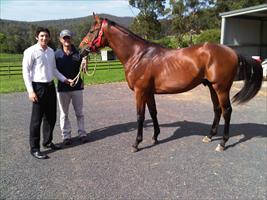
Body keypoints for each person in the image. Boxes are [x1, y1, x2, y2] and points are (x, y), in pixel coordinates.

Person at [23, 27, 73, 159]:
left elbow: (54, 70)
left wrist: (64, 79)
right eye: (41, 36)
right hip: (38, 88)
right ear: (37, 37)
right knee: (36, 120)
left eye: (46, 36)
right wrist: (30, 91)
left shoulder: (51, 52)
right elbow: (26, 72)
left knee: (51, 117)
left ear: (49, 38)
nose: (44, 38)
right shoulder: (30, 51)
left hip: (51, 87)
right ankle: (34, 148)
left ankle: (47, 142)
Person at [55, 29, 88, 145]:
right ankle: (66, 136)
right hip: (63, 89)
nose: (66, 40)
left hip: (77, 88)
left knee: (79, 112)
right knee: (64, 114)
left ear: (71, 39)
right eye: (64, 38)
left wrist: (85, 61)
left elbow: (84, 70)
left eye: (68, 37)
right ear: (60, 40)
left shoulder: (78, 53)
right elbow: (54, 70)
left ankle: (82, 133)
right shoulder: (56, 54)